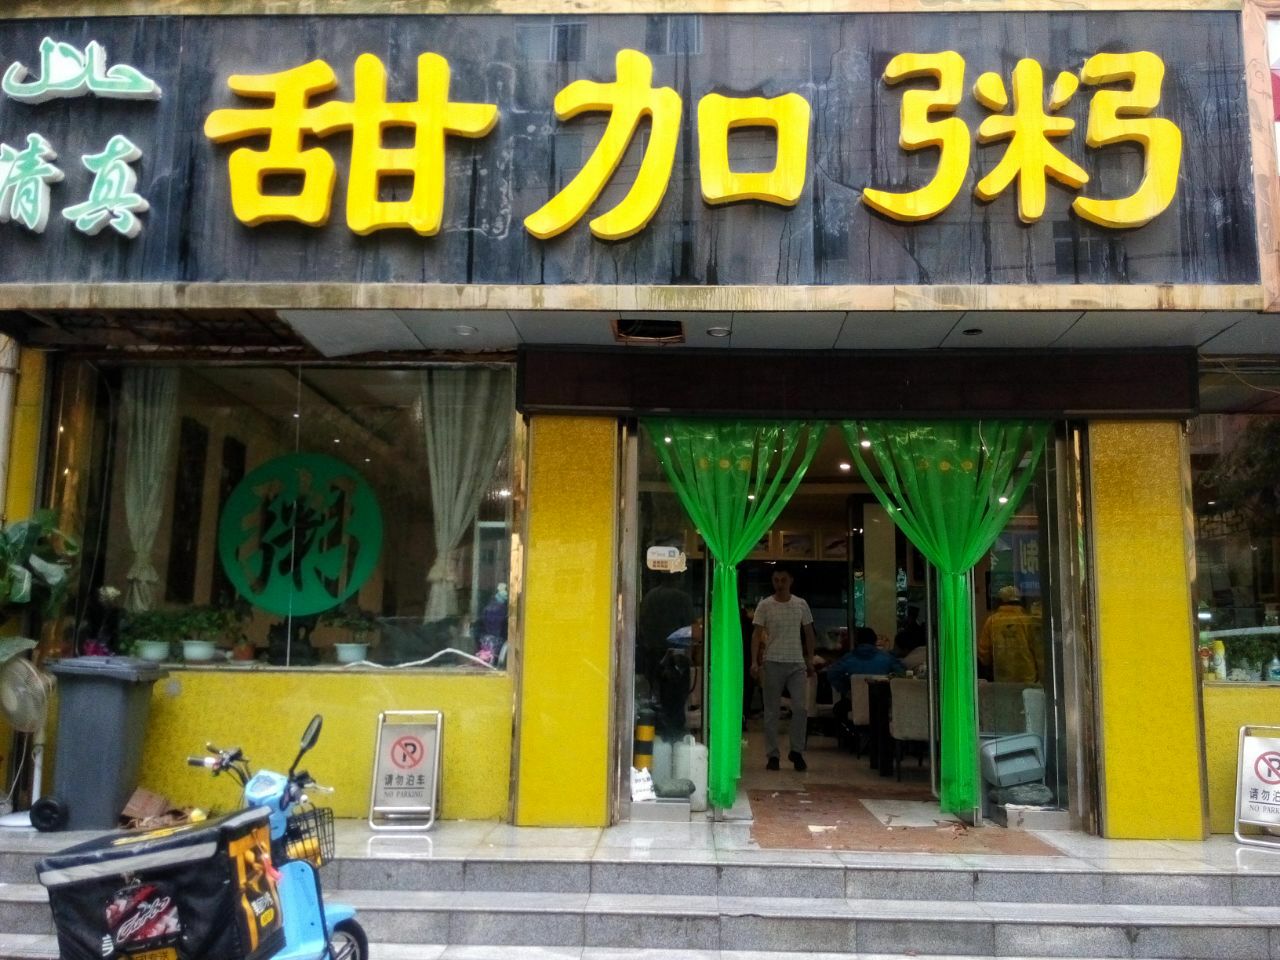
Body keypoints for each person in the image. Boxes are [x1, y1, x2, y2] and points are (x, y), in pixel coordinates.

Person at [751, 567, 817, 771]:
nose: (779, 584)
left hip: (796, 663)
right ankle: (773, 755)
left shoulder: (801, 604)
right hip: (772, 661)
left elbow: (809, 633)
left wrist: (810, 659)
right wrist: (754, 661)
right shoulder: (765, 605)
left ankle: (796, 750)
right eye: (776, 580)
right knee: (771, 711)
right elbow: (756, 634)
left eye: (783, 580)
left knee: (800, 708)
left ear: (790, 581)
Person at [977, 585, 1043, 683]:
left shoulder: (991, 621)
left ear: (1000, 601)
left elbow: (984, 653)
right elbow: (1038, 651)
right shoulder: (1027, 620)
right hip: (1027, 677)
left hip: (1002, 677)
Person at [824, 626, 904, 696]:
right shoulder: (887, 658)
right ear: (875, 641)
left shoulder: (848, 658)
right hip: (882, 704)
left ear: (856, 641)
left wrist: (846, 691)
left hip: (855, 701)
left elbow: (831, 674)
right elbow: (903, 674)